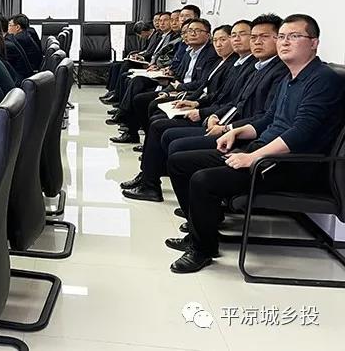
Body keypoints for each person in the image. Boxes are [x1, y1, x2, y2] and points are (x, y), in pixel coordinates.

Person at [166, 14, 344, 273]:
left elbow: (302, 133)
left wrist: (252, 157)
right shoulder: (290, 77)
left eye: (294, 36)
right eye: (282, 36)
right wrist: (235, 132)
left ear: (314, 43)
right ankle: (200, 228)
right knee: (179, 162)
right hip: (265, 154)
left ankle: (202, 249)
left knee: (203, 180)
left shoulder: (323, 79)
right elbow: (269, 119)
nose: (285, 42)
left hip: (291, 165)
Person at [121, 24, 239, 202]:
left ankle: (150, 183)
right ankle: (147, 175)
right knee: (155, 115)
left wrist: (200, 109)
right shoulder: (223, 61)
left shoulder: (231, 63)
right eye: (217, 40)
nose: (219, 44)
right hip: (204, 106)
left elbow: (225, 99)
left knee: (158, 123)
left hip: (216, 119)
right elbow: (205, 88)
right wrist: (190, 100)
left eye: (224, 39)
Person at [162, 14, 288, 156]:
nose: (257, 42)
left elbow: (265, 116)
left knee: (176, 146)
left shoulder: (277, 70)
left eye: (264, 36)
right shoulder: (258, 67)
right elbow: (235, 101)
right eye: (254, 37)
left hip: (246, 134)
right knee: (167, 133)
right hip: (228, 122)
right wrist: (214, 115)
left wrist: (225, 127)